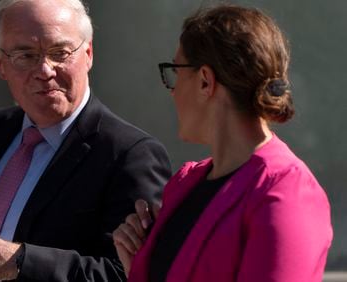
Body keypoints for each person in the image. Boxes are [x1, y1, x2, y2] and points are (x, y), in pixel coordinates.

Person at [0, 0, 171, 281]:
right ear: (0, 65)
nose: (45, 70)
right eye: (26, 56)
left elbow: (133, 274)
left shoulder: (129, 155)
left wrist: (19, 261)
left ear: (88, 54)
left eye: (60, 52)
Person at [112, 4, 332, 282]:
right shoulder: (184, 184)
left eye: (176, 73)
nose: (173, 90)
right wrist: (139, 266)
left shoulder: (286, 193)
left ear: (205, 81)